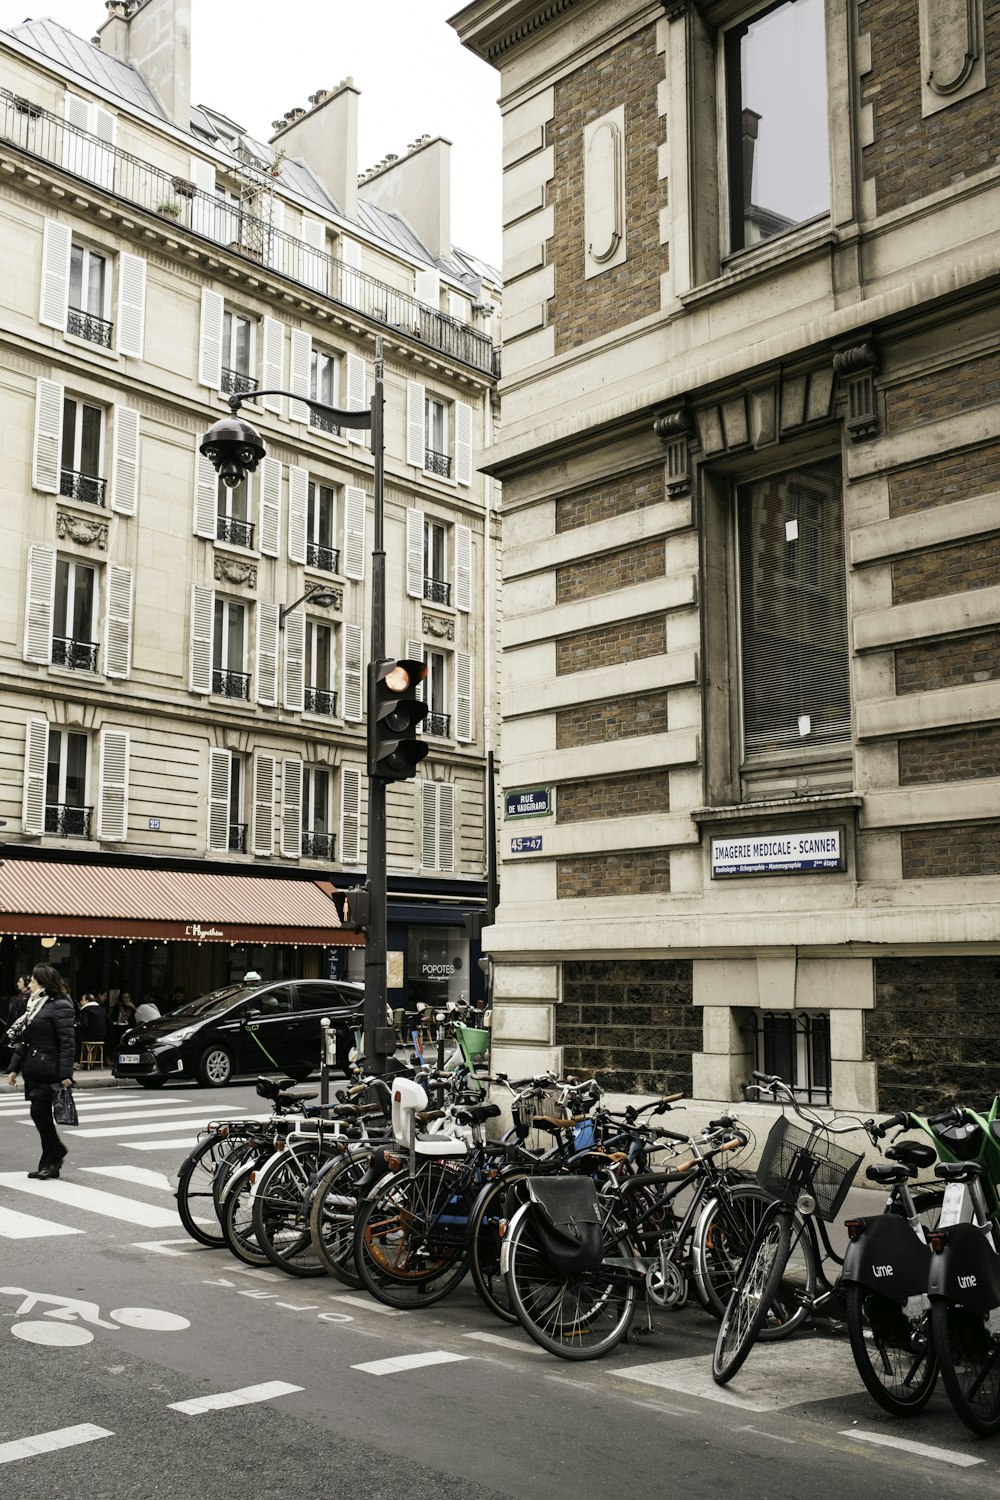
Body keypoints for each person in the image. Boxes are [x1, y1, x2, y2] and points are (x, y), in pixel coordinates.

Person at [6, 963, 75, 1179]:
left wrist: (65, 1074)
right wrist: (14, 1068)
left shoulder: (61, 1005)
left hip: (50, 1070)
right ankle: (51, 1160)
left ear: (43, 983)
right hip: (34, 1068)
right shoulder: (34, 1005)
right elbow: (26, 1040)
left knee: (39, 1113)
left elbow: (67, 1042)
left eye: (34, 981)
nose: (30, 984)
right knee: (39, 1114)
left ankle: (53, 1157)